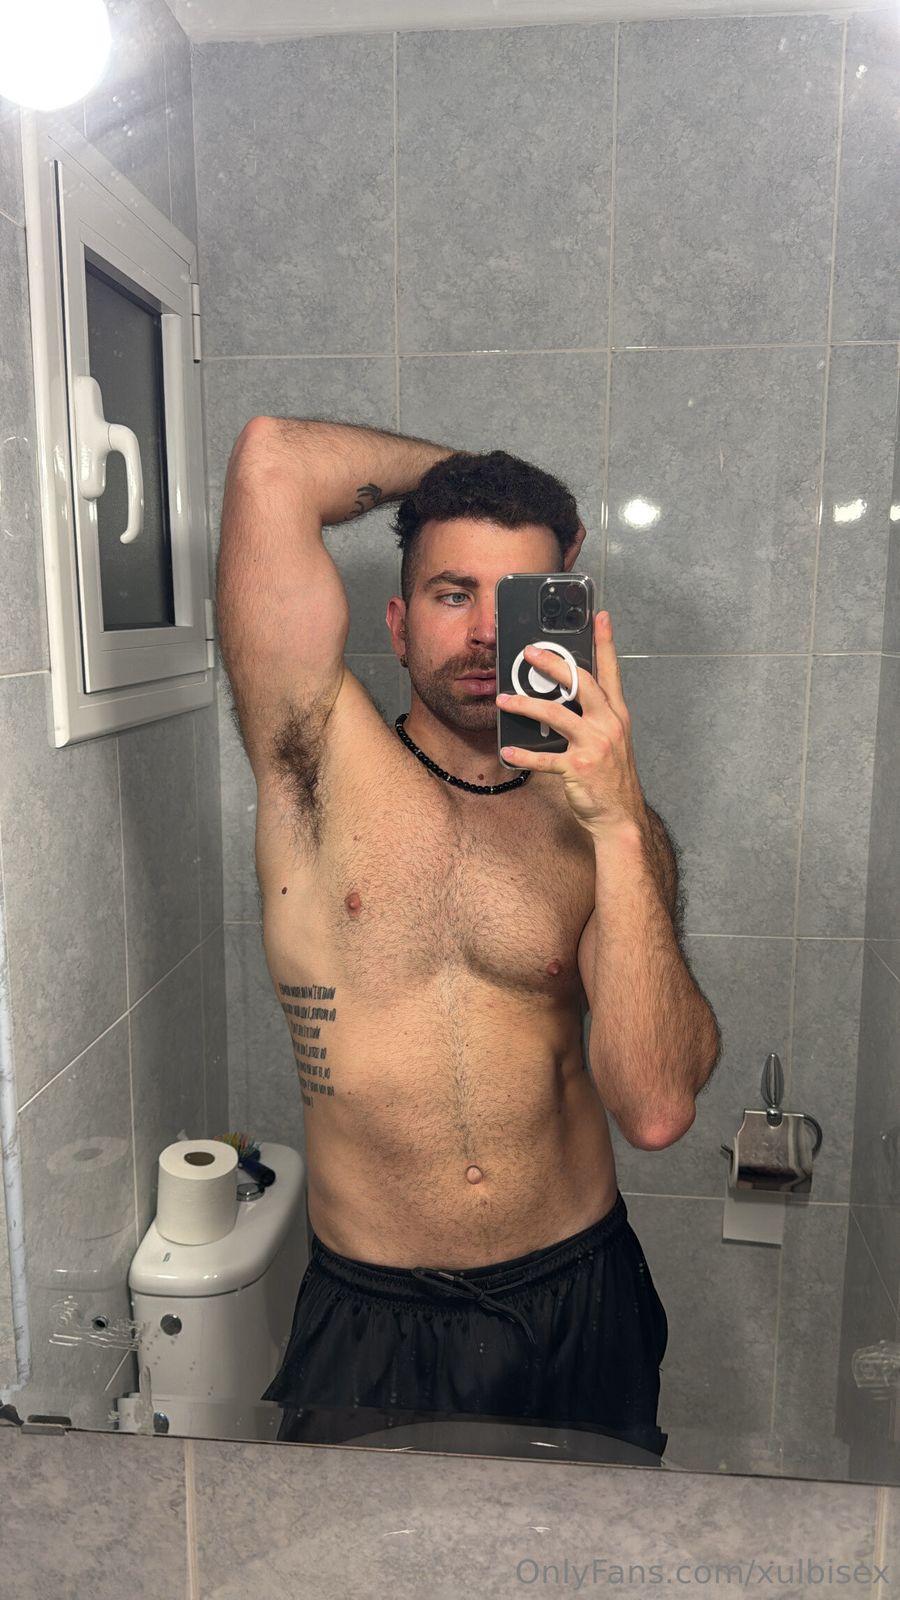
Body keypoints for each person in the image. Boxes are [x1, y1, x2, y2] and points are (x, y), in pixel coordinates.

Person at [215, 417, 721, 1455]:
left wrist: (621, 827)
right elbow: (272, 460)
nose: (490, 632)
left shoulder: (604, 823)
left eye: (519, 599)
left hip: (579, 1292)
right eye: (455, 595)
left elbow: (658, 1105)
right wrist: (472, 474)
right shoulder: (313, 758)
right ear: (398, 624)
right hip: (374, 1312)